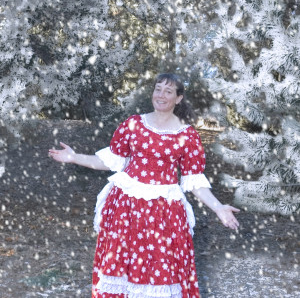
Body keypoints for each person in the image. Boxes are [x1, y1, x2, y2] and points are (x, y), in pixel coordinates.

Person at [48, 73, 240, 298]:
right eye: (158, 89)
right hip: (126, 210)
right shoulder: (133, 124)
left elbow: (194, 181)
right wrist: (74, 157)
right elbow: (109, 161)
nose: (161, 95)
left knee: (160, 270)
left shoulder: (187, 136)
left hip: (163, 215)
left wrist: (218, 207)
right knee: (122, 266)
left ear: (178, 99)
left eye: (168, 91)